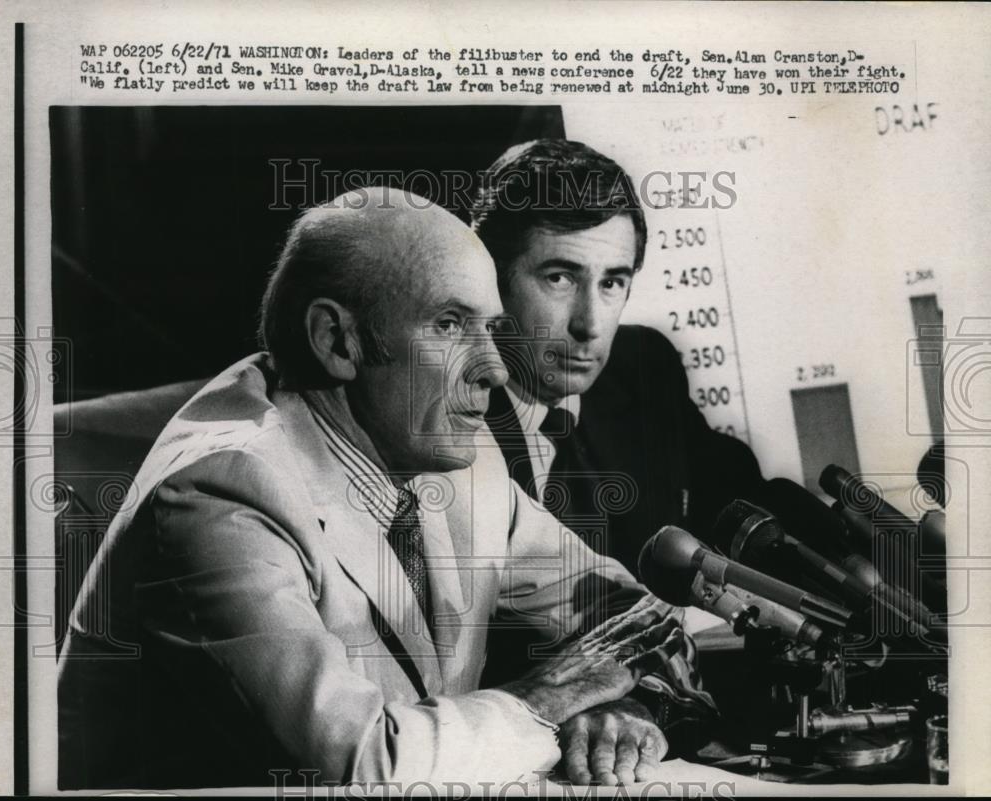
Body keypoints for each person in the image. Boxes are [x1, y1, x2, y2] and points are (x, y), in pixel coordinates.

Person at [58, 188, 713, 790]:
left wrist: (624, 706)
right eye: (451, 325)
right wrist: (546, 700)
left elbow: (639, 620)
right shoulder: (218, 495)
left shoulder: (454, 454)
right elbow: (361, 766)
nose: (493, 367)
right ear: (337, 339)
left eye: (491, 327)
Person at [471, 138, 765, 575]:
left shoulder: (642, 366)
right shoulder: (446, 414)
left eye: (612, 283)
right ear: (490, 279)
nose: (589, 325)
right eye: (560, 278)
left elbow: (740, 497)